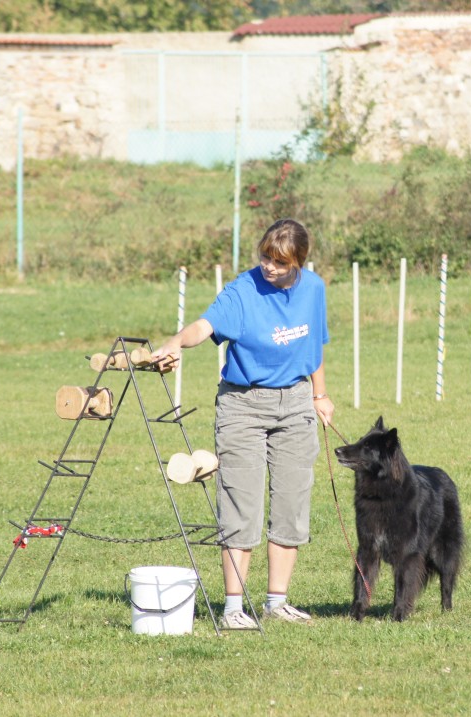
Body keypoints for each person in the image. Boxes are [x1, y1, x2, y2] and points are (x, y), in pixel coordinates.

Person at [153, 218, 334, 629]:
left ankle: (276, 602)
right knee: (241, 503)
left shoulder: (314, 289)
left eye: (280, 261)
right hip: (243, 406)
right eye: (265, 257)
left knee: (292, 502)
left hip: (296, 402)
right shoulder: (242, 290)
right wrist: (175, 342)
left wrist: (320, 395)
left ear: (298, 261)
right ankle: (234, 608)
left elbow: (315, 345)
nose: (269, 267)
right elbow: (205, 325)